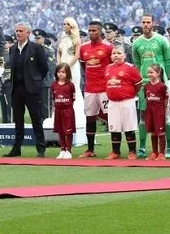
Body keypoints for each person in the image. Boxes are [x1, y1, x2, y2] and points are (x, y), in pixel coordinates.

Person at [4, 22, 49, 158]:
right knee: (18, 120)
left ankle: (41, 148)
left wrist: (34, 80)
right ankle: (16, 148)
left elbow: (44, 68)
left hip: (31, 89)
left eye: (21, 31)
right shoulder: (12, 49)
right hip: (16, 89)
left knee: (36, 119)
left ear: (28, 33)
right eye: (16, 31)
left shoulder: (36, 48)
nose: (18, 33)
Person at [132, 14, 170, 159]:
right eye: (143, 22)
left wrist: (162, 79)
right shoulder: (136, 43)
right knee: (143, 117)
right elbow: (137, 63)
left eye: (148, 22)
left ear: (153, 23)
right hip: (144, 84)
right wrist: (145, 77)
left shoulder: (162, 40)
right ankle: (142, 147)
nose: (145, 25)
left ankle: (169, 147)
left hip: (160, 84)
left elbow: (168, 62)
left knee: (165, 116)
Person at [78, 21, 113, 158]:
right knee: (90, 118)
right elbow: (83, 66)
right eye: (89, 31)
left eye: (94, 31)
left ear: (100, 31)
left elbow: (112, 66)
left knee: (111, 118)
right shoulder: (84, 48)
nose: (91, 33)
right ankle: (90, 149)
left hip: (105, 89)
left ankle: (115, 150)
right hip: (90, 89)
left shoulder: (108, 47)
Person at [104, 47, 142, 160]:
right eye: (114, 53)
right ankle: (115, 151)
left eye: (119, 53)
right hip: (112, 102)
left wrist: (131, 93)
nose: (116, 55)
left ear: (124, 55)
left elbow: (138, 83)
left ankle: (132, 151)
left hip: (127, 101)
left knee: (129, 126)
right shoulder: (107, 68)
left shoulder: (130, 68)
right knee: (114, 127)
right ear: (111, 56)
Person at [143, 64, 169, 161]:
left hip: (159, 111)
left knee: (160, 132)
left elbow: (165, 99)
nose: (149, 74)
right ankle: (154, 152)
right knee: (153, 132)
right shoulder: (146, 86)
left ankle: (162, 153)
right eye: (148, 72)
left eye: (151, 72)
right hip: (149, 111)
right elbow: (147, 99)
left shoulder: (162, 86)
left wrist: (164, 110)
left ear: (158, 74)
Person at [52, 63, 76, 159]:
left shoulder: (70, 85)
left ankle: (68, 150)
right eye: (59, 72)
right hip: (58, 111)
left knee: (68, 131)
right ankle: (62, 149)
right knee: (60, 130)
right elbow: (53, 98)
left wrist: (69, 108)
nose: (60, 74)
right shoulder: (54, 85)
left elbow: (72, 98)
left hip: (67, 111)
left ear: (67, 73)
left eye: (63, 72)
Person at [32, 29, 56, 121]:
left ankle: (47, 122)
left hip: (45, 80)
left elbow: (51, 67)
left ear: (43, 38)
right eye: (35, 38)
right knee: (36, 104)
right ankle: (38, 122)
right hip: (34, 81)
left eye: (38, 38)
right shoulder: (31, 49)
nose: (36, 40)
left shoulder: (48, 50)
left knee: (45, 104)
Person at [0, 35, 13, 123]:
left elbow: (10, 68)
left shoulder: (11, 55)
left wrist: (4, 78)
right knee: (3, 104)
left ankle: (11, 121)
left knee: (10, 104)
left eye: (5, 43)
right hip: (1, 83)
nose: (4, 45)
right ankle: (5, 122)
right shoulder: (1, 56)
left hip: (9, 83)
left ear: (10, 43)